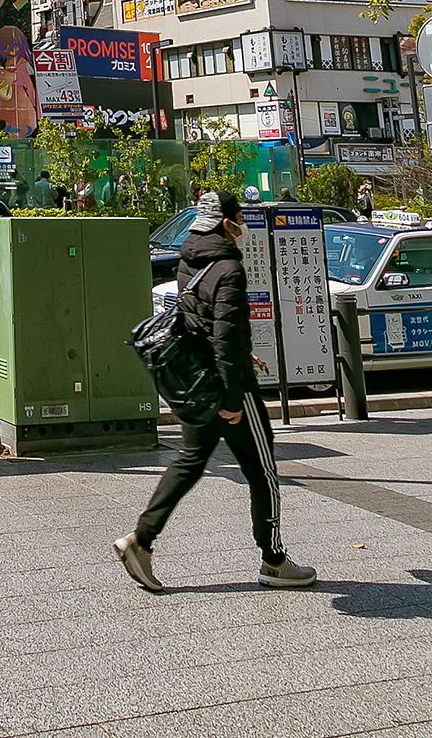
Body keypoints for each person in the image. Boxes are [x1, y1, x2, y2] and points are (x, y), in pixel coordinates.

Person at [114, 190, 316, 593]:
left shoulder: (190, 257)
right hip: (228, 389)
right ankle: (274, 560)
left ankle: (140, 540)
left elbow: (202, 322)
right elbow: (224, 336)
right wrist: (231, 399)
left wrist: (243, 355)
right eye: (239, 217)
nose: (243, 224)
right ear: (226, 223)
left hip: (197, 382)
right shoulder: (228, 268)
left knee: (190, 462)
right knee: (263, 473)